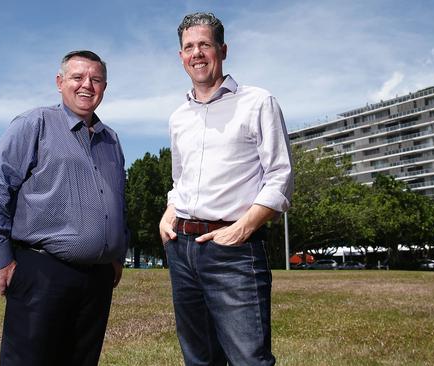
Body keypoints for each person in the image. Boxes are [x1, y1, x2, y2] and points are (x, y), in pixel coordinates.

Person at [0, 50, 128, 366]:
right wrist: (2, 260)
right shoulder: (35, 124)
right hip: (42, 273)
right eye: (77, 77)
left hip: (97, 281)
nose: (87, 85)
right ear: (60, 82)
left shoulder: (111, 140)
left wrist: (116, 256)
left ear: (105, 86)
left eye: (96, 79)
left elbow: (118, 202)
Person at [159, 12, 293, 366]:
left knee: (249, 359)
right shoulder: (178, 117)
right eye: (189, 47)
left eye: (205, 44)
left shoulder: (258, 102)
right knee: (199, 358)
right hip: (181, 251)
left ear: (223, 49)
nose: (197, 53)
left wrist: (241, 230)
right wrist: (169, 213)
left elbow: (280, 176)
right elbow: (180, 179)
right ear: (181, 57)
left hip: (234, 251)